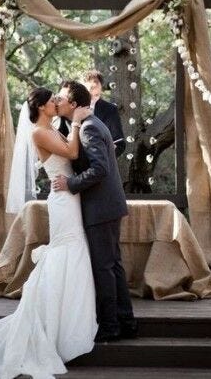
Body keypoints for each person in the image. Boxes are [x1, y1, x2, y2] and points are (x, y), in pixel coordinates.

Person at [0, 88, 98, 379]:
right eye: (51, 100)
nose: (56, 103)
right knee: (66, 253)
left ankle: (66, 324)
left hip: (69, 196)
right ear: (39, 106)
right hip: (63, 201)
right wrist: (76, 122)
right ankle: (52, 326)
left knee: (74, 253)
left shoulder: (50, 128)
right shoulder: (39, 132)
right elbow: (72, 152)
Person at [53, 80, 137, 343]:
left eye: (62, 98)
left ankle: (111, 326)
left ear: (74, 104)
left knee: (103, 268)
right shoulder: (90, 124)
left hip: (100, 207)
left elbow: (99, 168)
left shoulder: (89, 127)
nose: (58, 100)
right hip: (109, 205)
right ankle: (126, 322)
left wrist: (71, 183)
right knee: (113, 266)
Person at [58, 70, 126, 157]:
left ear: (101, 88)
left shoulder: (110, 109)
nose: (92, 98)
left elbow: (119, 142)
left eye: (97, 94)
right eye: (89, 93)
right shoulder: (70, 106)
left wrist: (105, 157)